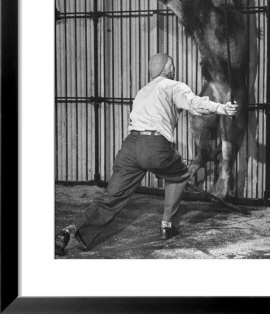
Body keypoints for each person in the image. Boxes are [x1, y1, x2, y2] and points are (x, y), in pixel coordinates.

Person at [55, 53, 238, 255]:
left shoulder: (142, 91)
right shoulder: (173, 86)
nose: (174, 69)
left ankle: (70, 231)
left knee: (111, 197)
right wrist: (221, 108)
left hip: (130, 147)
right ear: (169, 69)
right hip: (155, 146)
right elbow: (193, 103)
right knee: (180, 175)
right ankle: (167, 225)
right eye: (172, 66)